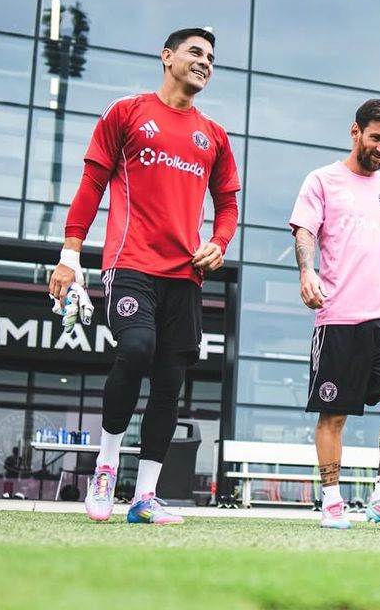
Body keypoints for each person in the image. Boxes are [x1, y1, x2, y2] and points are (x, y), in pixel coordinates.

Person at [48, 27, 240, 525]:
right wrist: (70, 255)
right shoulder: (127, 112)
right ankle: (106, 467)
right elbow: (91, 184)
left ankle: (145, 498)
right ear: (167, 56)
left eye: (211, 57)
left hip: (185, 275)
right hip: (130, 263)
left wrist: (219, 243)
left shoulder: (214, 136)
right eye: (195, 52)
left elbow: (228, 206)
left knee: (170, 382)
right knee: (135, 349)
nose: (205, 61)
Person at [290, 98, 380, 530]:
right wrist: (307, 272)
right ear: (355, 132)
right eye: (376, 138)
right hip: (339, 318)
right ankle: (331, 501)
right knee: (335, 415)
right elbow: (305, 231)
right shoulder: (322, 180)